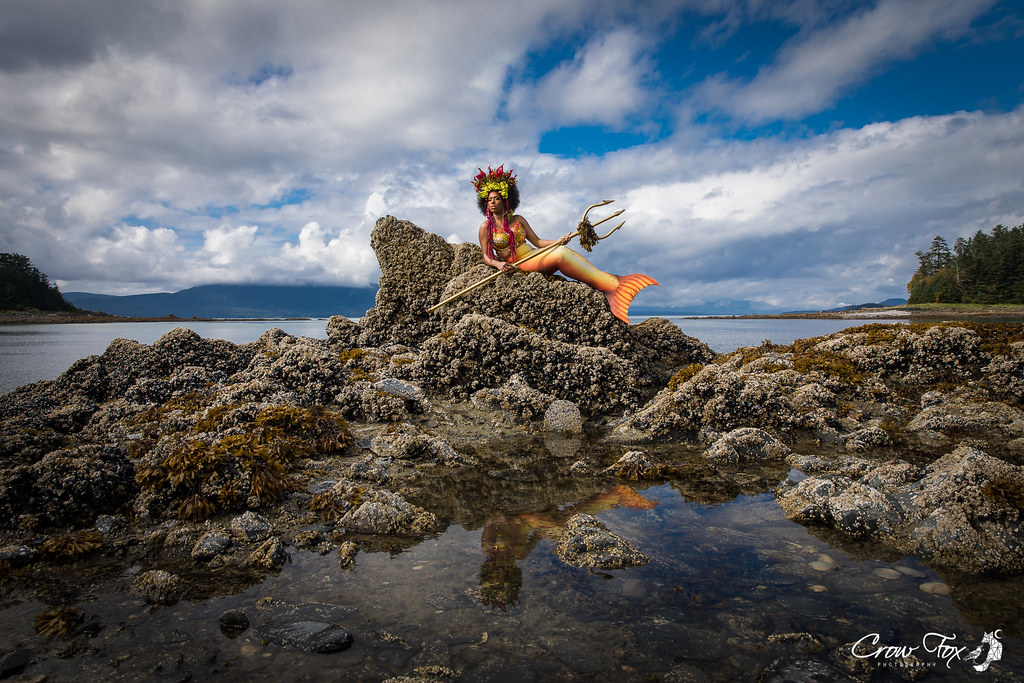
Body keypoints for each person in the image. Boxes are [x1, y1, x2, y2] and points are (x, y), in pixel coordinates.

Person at [473, 165, 658, 324]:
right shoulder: (485, 228)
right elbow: (486, 256)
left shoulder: (519, 219)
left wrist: (558, 240)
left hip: (533, 256)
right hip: (519, 265)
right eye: (489, 200)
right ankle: (612, 286)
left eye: (496, 198)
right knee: (560, 255)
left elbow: (537, 242)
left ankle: (612, 284)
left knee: (560, 250)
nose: (492, 202)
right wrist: (498, 264)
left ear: (506, 200)